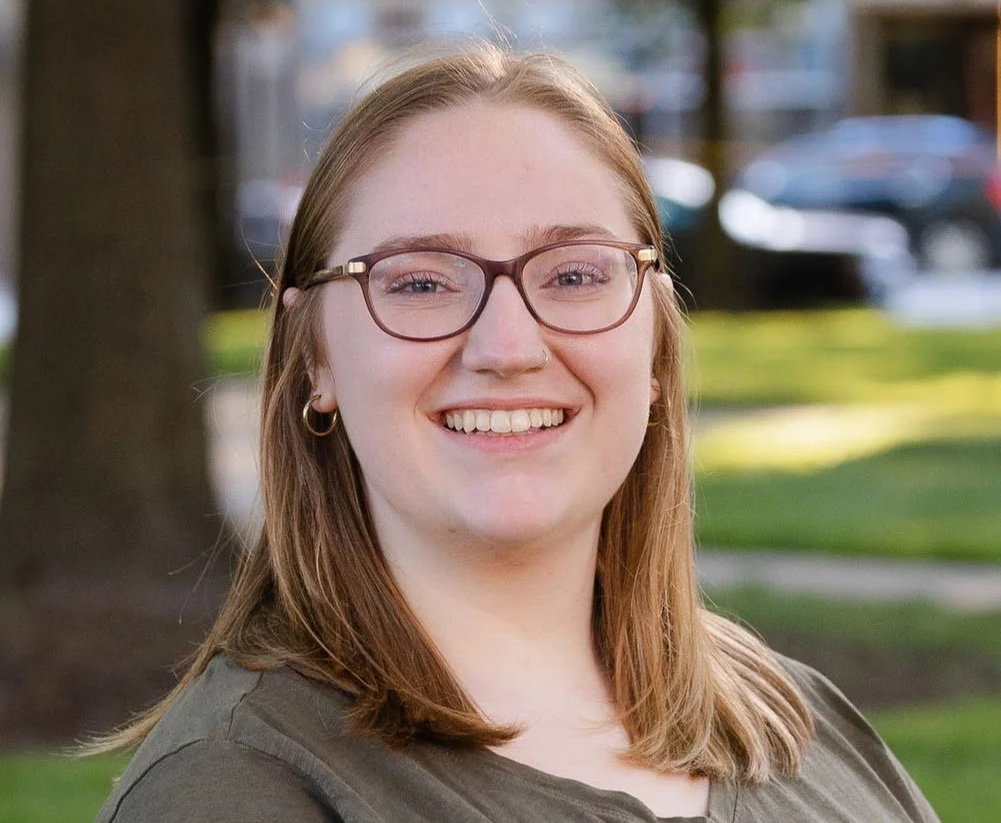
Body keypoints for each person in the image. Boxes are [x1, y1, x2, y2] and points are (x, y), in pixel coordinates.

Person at [96, 45, 938, 822]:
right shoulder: (235, 791)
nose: (507, 347)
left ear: (650, 342)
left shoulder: (799, 725)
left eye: (573, 273)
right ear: (315, 355)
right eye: (421, 282)